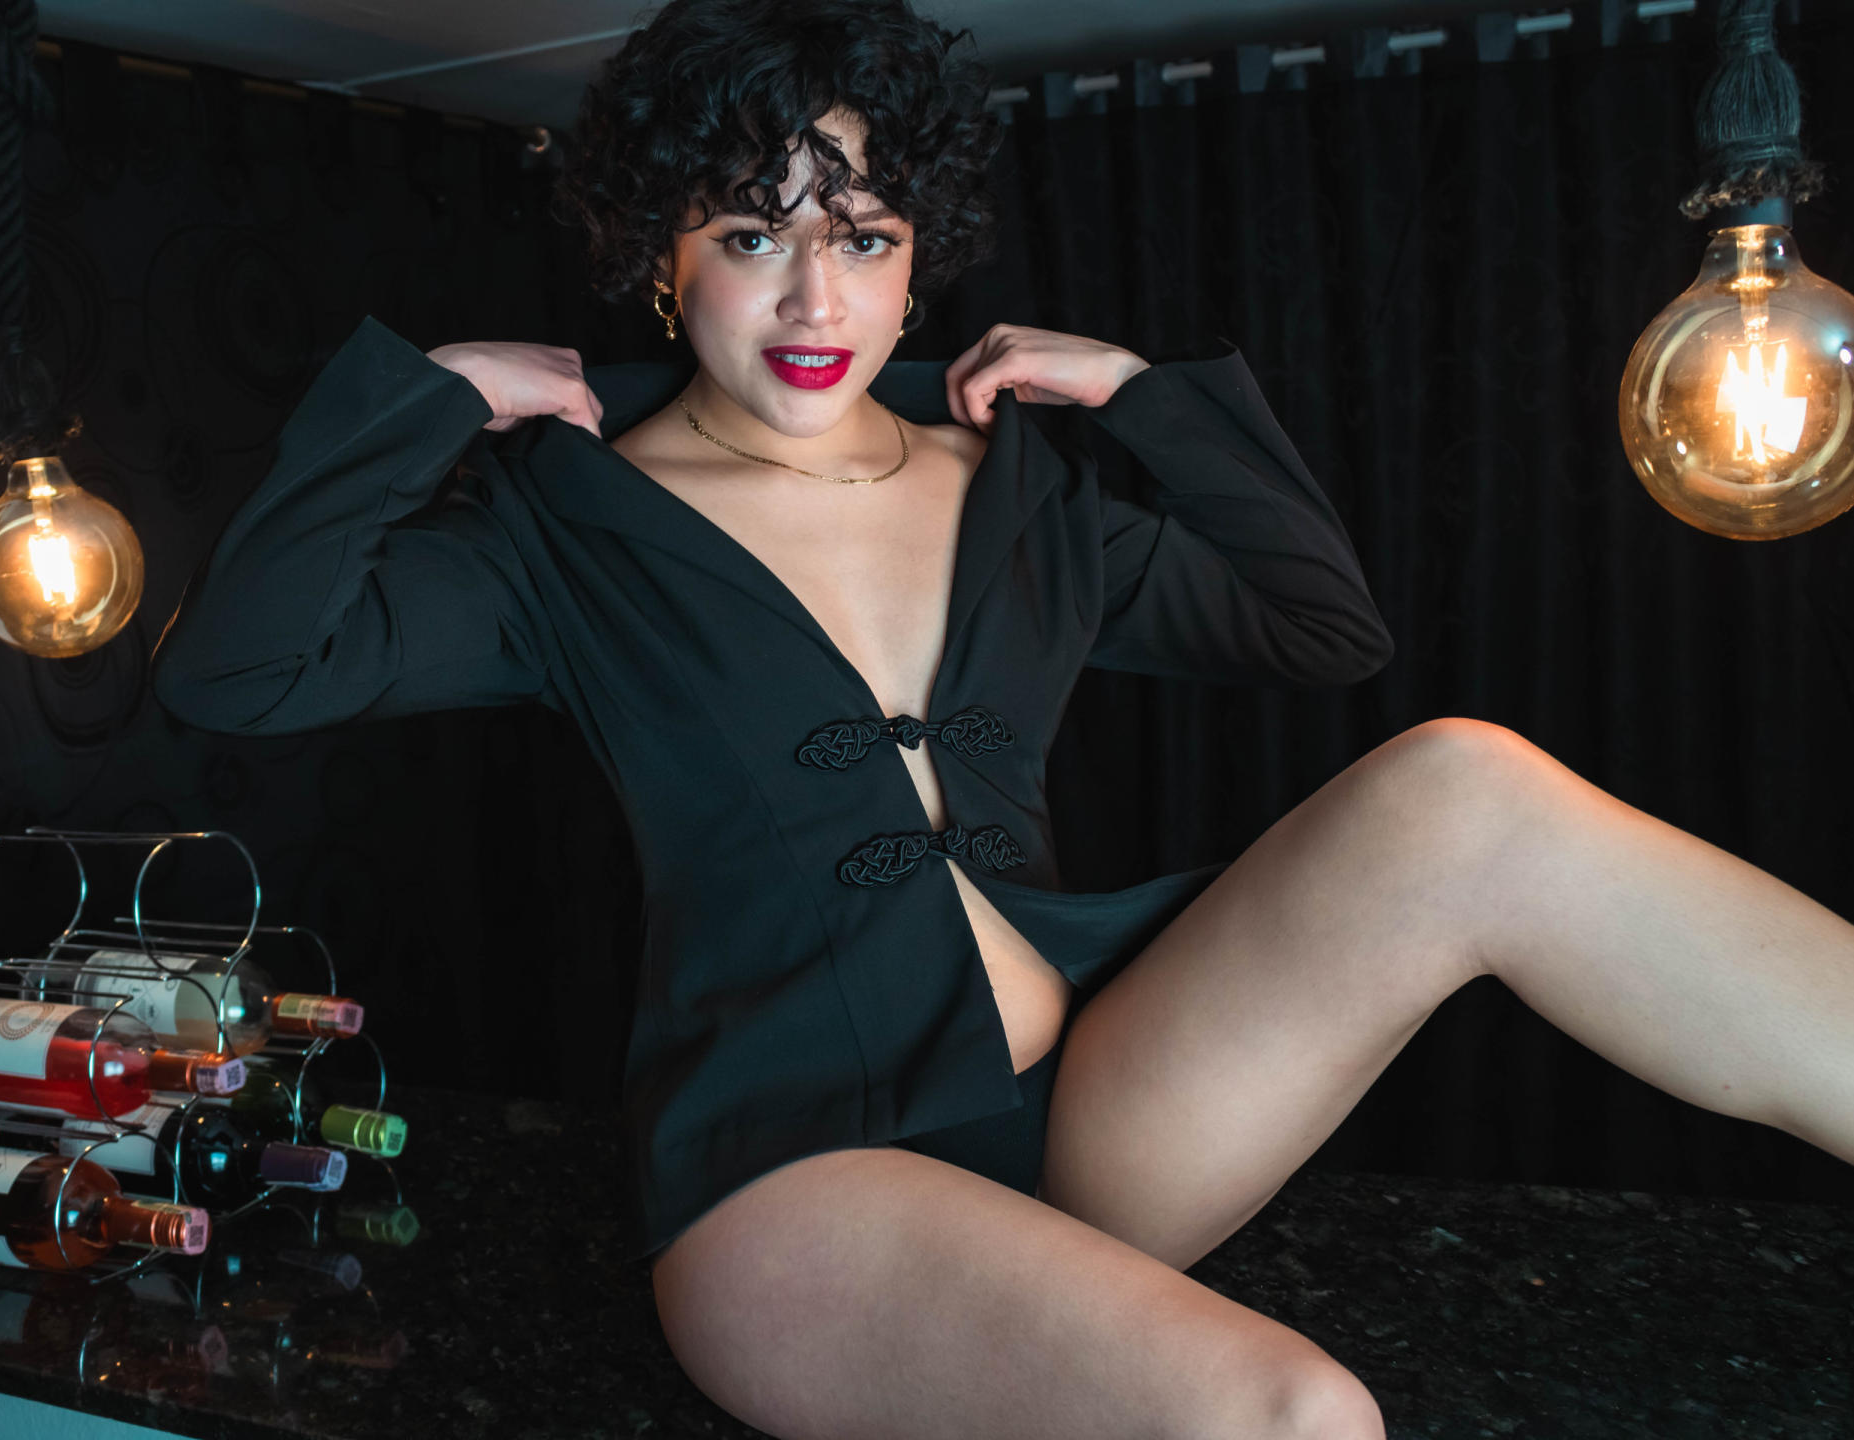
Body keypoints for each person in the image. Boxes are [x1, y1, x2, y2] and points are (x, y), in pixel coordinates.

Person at [150, 1, 1854, 1436]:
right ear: (659, 259)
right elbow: (238, 672)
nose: (814, 302)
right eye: (749, 237)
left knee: (1465, 788)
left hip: (1101, 1104)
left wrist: (1141, 400)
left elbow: (1318, 629)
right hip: (795, 1184)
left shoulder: (1017, 486)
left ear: (917, 265)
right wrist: (423, 405)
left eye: (862, 239)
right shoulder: (563, 527)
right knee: (1294, 1416)